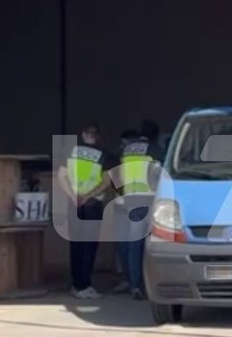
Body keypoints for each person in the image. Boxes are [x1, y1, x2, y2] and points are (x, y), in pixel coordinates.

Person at [57, 123, 112, 300]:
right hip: (92, 204)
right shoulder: (103, 156)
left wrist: (73, 196)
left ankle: (75, 284)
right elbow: (105, 182)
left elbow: (61, 176)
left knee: (76, 244)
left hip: (73, 203)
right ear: (98, 137)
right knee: (89, 246)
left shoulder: (70, 153)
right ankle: (84, 285)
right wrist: (88, 196)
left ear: (83, 135)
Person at [111, 121, 160, 300]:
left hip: (129, 199)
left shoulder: (126, 148)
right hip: (149, 197)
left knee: (132, 243)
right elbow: (160, 174)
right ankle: (146, 284)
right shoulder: (156, 150)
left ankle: (133, 283)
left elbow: (114, 170)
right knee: (153, 243)